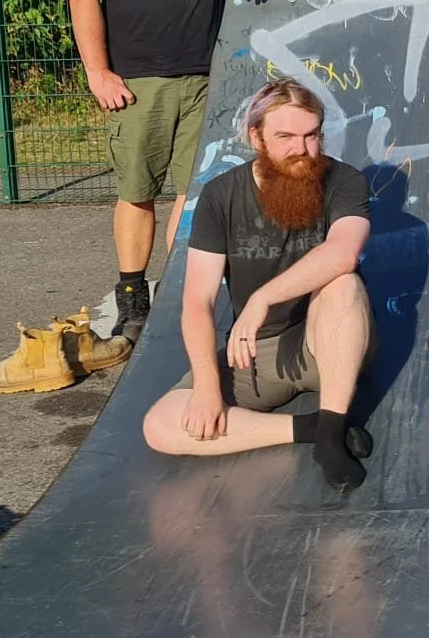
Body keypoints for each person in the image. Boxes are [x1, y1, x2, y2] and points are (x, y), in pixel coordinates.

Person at [68, 0, 309, 342]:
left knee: (190, 190)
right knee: (136, 190)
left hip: (206, 75)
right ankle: (132, 294)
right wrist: (98, 72)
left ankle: (176, 291)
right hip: (137, 78)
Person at [140, 79, 376, 491]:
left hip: (332, 340)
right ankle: (313, 428)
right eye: (284, 136)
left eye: (311, 136)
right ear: (256, 136)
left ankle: (332, 426)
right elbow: (197, 300)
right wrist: (209, 388)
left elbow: (343, 253)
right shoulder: (221, 195)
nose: (300, 149)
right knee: (162, 426)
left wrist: (262, 298)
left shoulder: (344, 180)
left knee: (343, 284)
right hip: (259, 351)